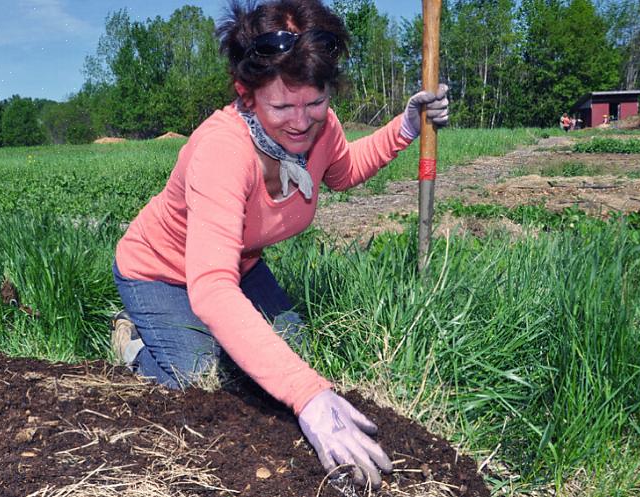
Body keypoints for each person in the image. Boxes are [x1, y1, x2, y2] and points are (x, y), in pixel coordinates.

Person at [110, 0, 449, 487]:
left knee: (291, 350)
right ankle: (135, 343)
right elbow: (211, 288)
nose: (300, 122)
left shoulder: (319, 130)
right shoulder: (222, 150)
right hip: (162, 271)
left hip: (238, 266)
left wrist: (407, 126)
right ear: (245, 94)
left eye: (315, 103)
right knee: (201, 380)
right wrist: (310, 397)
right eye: (282, 107)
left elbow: (345, 170)